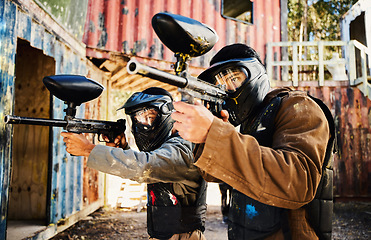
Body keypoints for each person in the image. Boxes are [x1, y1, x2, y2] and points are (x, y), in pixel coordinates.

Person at [171, 44, 335, 240]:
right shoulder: (251, 124)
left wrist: (215, 134)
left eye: (233, 79)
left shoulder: (297, 106)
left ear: (256, 73)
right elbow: (218, 175)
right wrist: (210, 137)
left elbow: (298, 182)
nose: (228, 90)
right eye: (221, 84)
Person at [61, 87, 207, 240]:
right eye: (137, 119)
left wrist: (88, 149)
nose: (143, 124)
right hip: (162, 234)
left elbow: (146, 166)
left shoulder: (184, 144)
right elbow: (153, 168)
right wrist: (124, 148)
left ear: (167, 115)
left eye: (149, 116)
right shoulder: (168, 148)